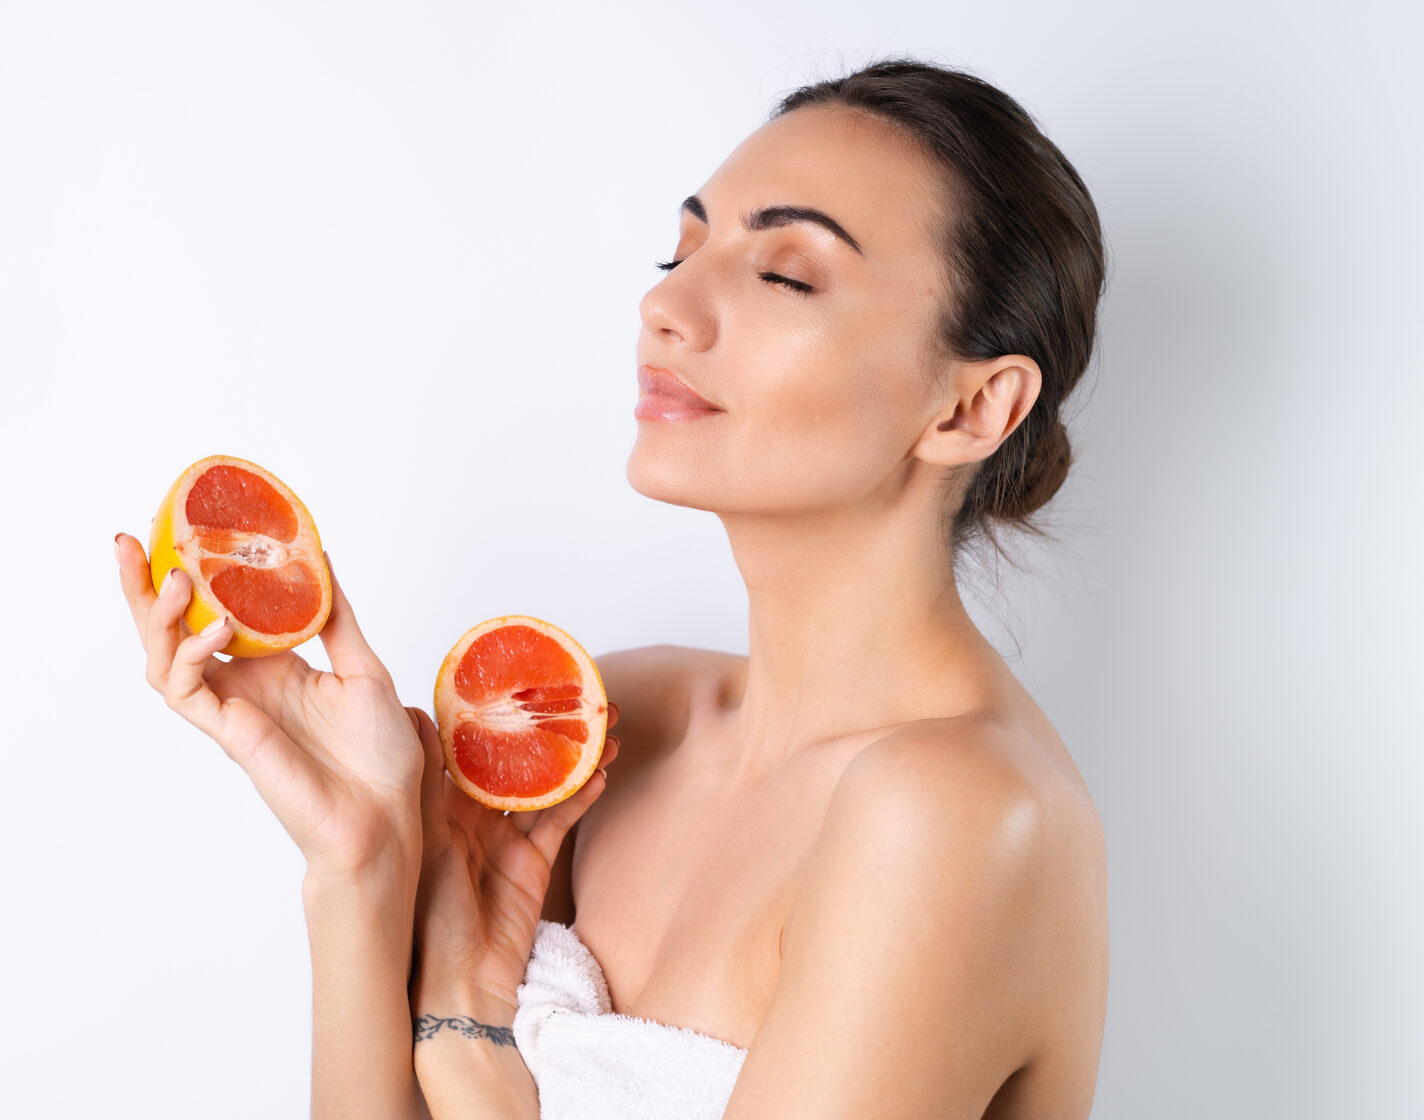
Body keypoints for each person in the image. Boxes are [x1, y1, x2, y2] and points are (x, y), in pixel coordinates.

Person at [115, 53, 1109, 1120]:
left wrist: (466, 1047)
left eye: (785, 274)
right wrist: (362, 865)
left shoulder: (957, 815)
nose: (665, 303)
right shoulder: (607, 724)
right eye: (681, 251)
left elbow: (466, 1069)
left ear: (973, 409)